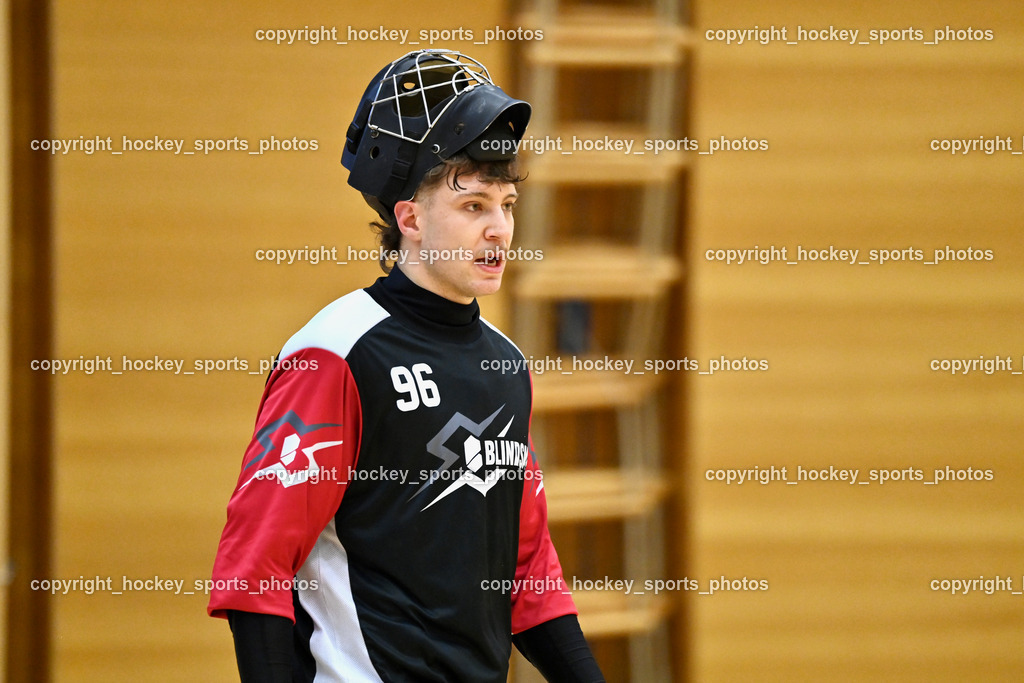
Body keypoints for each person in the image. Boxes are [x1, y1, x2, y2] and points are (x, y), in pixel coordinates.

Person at [208, 49, 606, 683]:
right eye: (474, 206)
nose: (500, 229)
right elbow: (254, 566)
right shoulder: (334, 351)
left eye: (506, 205)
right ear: (411, 219)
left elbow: (528, 571)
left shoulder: (506, 364)